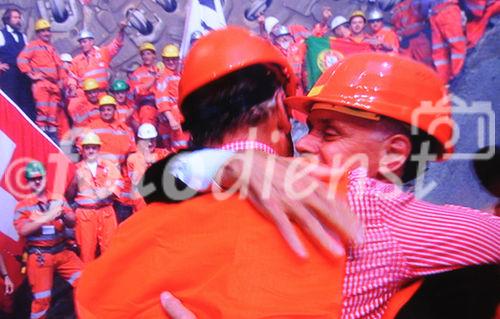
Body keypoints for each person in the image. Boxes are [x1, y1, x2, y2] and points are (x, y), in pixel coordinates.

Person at [154, 53, 500, 318]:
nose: (304, 143)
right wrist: (226, 164)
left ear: (393, 154)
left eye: (330, 132)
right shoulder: (282, 179)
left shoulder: (386, 216)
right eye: (311, 127)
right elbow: (159, 181)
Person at [74, 26, 360, 319]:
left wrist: (217, 164)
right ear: (278, 105)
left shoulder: (132, 239)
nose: (304, 141)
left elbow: (92, 301)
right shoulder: (355, 202)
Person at [13, 161, 83, 319]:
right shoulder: (23, 206)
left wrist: (64, 215)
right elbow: (23, 230)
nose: (37, 181)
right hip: (40, 257)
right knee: (41, 300)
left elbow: (72, 221)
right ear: (28, 181)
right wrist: (47, 217)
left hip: (63, 252)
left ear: (45, 177)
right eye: (33, 179)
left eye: (40, 177)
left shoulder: (58, 198)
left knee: (86, 283)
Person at [68, 132, 122, 263]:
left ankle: (110, 281)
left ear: (99, 149)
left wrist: (106, 192)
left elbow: (118, 182)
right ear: (82, 150)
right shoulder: (76, 169)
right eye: (87, 148)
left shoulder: (108, 165)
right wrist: (74, 181)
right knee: (86, 252)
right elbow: (69, 194)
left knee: (110, 251)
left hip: (106, 212)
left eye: (94, 147)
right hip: (85, 215)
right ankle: (89, 282)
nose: (91, 150)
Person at [17, 19, 67, 142]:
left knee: (52, 117)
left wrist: (62, 81)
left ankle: (52, 141)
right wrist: (31, 74)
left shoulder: (52, 48)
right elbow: (21, 60)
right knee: (42, 114)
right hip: (42, 84)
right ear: (38, 33)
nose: (46, 33)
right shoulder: (33, 46)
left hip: (54, 86)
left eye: (48, 31)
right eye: (43, 31)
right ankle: (41, 140)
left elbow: (59, 66)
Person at [70, 23, 126, 93]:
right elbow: (72, 77)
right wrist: (73, 86)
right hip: (85, 95)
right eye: (81, 43)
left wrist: (121, 30)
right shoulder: (76, 60)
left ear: (91, 42)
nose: (82, 45)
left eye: (84, 42)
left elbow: (117, 44)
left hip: (101, 94)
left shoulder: (103, 53)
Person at [0, 7, 35, 120]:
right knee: (11, 104)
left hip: (23, 75)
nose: (18, 20)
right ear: (7, 19)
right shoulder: (1, 34)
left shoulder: (23, 36)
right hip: (8, 75)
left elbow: (28, 54)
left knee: (26, 104)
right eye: (15, 17)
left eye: (19, 17)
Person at [126, 123, 169, 211]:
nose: (149, 143)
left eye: (152, 140)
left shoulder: (163, 154)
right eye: (146, 140)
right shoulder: (133, 158)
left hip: (161, 203)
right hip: (142, 203)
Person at [420, 0, 467, 82]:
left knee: (440, 51)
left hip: (434, 15)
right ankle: (458, 76)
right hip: (449, 10)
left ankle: (443, 81)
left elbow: (423, 8)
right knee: (457, 45)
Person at [154, 44, 188, 151]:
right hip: (175, 117)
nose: (171, 62)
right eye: (168, 60)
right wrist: (171, 119)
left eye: (174, 59)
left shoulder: (177, 75)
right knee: (179, 146)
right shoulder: (164, 77)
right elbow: (162, 101)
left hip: (183, 115)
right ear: (164, 60)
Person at [391, 0, 433, 67]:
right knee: (404, 67)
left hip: (420, 37)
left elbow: (427, 14)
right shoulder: (396, 8)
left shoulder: (415, 2)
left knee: (426, 66)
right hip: (405, 42)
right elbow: (395, 25)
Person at [130, 42, 160, 125]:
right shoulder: (136, 73)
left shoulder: (159, 70)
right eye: (143, 54)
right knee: (148, 131)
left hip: (161, 107)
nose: (146, 56)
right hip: (147, 107)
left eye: (148, 54)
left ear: (154, 55)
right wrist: (153, 80)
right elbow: (136, 91)